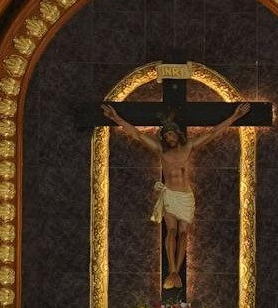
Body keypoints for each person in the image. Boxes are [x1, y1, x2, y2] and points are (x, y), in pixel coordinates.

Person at [101, 99, 251, 296]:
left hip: (186, 196)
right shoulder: (161, 150)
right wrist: (117, 118)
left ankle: (176, 271)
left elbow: (213, 133)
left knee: (183, 234)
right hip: (170, 194)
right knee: (170, 232)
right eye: (167, 135)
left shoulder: (188, 147)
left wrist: (235, 116)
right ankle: (172, 270)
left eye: (172, 134)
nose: (170, 137)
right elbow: (137, 135)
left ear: (177, 135)